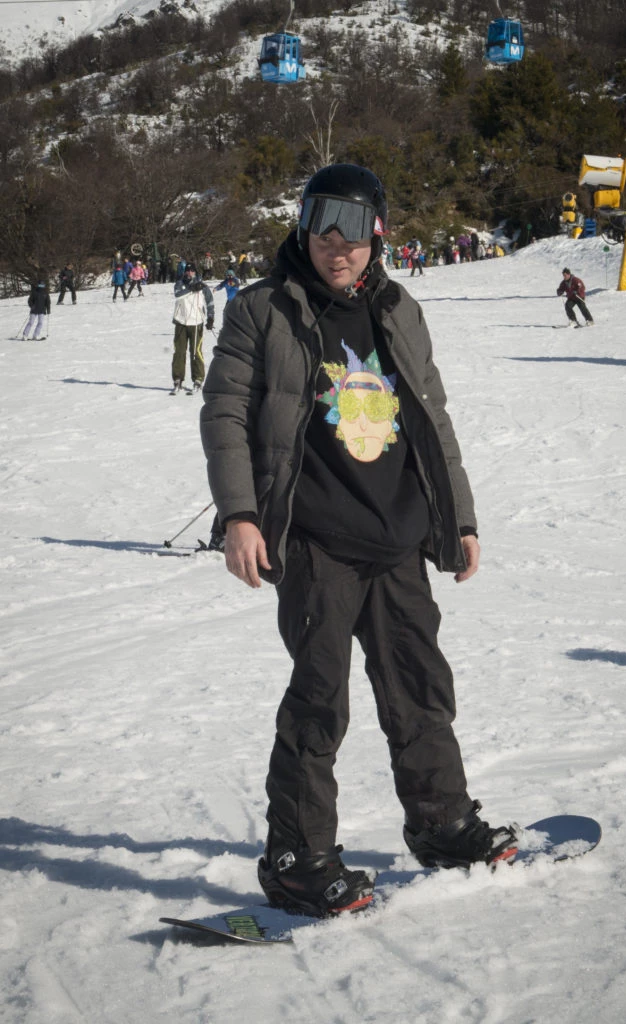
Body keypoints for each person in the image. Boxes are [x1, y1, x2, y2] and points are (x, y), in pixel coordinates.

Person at [200, 162, 518, 919]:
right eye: (321, 225)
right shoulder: (261, 310)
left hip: (398, 538)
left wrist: (460, 518)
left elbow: (433, 419)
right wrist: (240, 514)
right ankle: (296, 859)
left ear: (377, 233)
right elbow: (225, 414)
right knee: (319, 701)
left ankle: (441, 824)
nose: (335, 245)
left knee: (419, 690)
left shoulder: (399, 308)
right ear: (302, 228)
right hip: (316, 543)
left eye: (351, 228)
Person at [171, 263, 214, 393]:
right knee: (179, 352)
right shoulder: (180, 283)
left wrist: (210, 317)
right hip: (181, 322)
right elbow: (178, 295)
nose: (189, 273)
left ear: (195, 272)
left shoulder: (202, 286)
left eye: (191, 271)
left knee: (196, 352)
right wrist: (191, 288)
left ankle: (198, 379)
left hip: (196, 322)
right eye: (187, 271)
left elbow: (210, 301)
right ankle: (178, 379)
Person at [23, 275, 51, 339]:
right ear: (38, 285)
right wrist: (32, 306)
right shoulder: (34, 292)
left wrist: (48, 309)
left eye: (42, 285)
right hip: (34, 310)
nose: (41, 286)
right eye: (40, 285)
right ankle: (25, 335)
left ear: (44, 285)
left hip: (42, 310)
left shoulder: (45, 293)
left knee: (40, 323)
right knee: (31, 322)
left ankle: (36, 335)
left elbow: (48, 302)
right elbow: (30, 301)